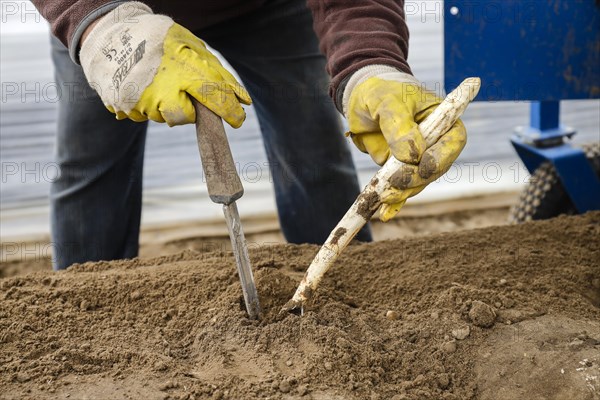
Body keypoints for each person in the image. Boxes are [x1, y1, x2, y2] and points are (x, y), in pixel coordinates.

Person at [31, 0, 466, 270]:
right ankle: (90, 304)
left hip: (265, 9)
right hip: (115, 12)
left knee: (313, 153)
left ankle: (341, 282)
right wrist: (99, 25)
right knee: (90, 167)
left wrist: (370, 63)